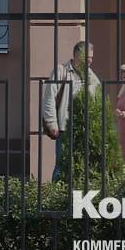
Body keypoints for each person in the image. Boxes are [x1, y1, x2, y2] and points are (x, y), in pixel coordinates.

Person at [41, 40, 101, 181]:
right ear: (77, 55)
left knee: (82, 165)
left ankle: (76, 191)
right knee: (62, 165)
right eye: (88, 57)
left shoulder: (89, 74)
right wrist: (52, 123)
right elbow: (49, 98)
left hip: (84, 127)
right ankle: (57, 192)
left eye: (92, 57)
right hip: (65, 126)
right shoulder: (61, 71)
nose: (90, 61)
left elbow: (98, 93)